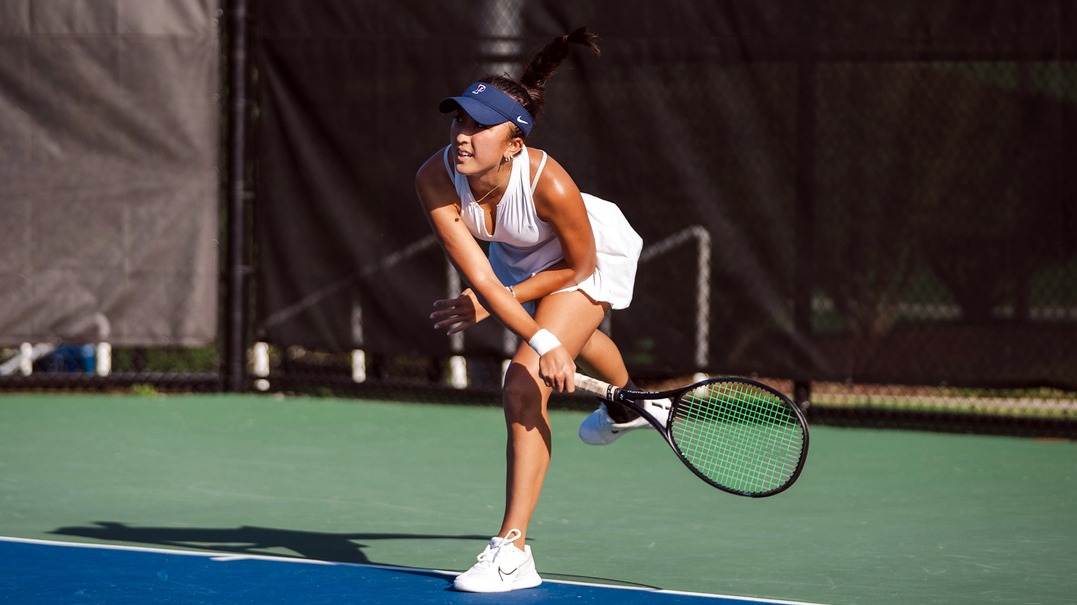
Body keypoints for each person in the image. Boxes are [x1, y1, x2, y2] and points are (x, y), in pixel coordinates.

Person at [414, 27, 669, 593]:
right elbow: (480, 276)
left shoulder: (550, 183)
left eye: (480, 126)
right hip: (518, 257)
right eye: (459, 120)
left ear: (513, 144)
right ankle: (630, 404)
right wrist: (499, 306)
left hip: (588, 256)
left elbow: (577, 271)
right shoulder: (435, 178)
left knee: (523, 382)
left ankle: (513, 550)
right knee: (559, 338)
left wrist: (542, 340)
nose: (463, 134)